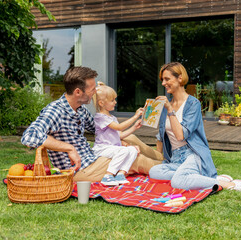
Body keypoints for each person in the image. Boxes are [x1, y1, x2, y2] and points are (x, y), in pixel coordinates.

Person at [21, 66, 162, 182]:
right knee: (135, 159)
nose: (95, 92)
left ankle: (164, 160)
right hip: (80, 171)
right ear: (78, 92)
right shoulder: (55, 111)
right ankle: (171, 169)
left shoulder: (81, 110)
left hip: (92, 159)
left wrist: (121, 140)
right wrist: (69, 148)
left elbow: (103, 131)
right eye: (92, 89)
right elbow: (29, 136)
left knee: (128, 140)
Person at [149, 62, 241, 193]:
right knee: (154, 172)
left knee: (177, 182)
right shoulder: (166, 105)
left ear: (180, 78)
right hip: (175, 158)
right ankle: (200, 178)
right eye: (162, 80)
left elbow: (180, 135)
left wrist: (170, 110)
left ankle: (230, 184)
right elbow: (161, 135)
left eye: (167, 79)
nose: (163, 83)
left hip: (192, 155)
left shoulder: (193, 104)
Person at [92, 82, 162, 186]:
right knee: (124, 151)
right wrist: (135, 116)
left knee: (133, 150)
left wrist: (134, 127)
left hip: (113, 148)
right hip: (103, 148)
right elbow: (119, 127)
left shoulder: (112, 118)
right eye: (112, 100)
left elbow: (120, 135)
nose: (115, 102)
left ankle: (121, 173)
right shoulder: (100, 117)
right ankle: (108, 175)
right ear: (101, 103)